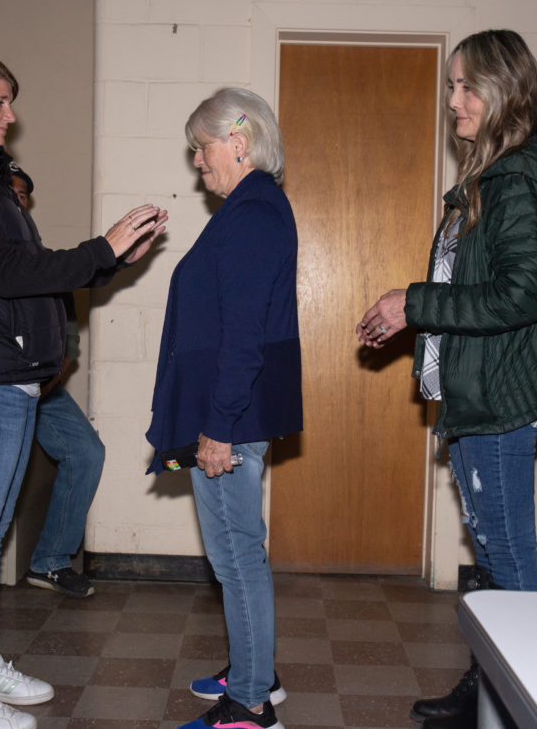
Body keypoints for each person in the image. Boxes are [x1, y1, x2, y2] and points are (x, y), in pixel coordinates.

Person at [0, 46, 166, 729]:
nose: (10, 116)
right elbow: (5, 271)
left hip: (9, 379)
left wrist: (108, 263)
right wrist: (100, 248)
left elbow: (30, 274)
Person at [356, 29, 537, 729]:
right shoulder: (494, 173)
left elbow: (520, 293)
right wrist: (413, 312)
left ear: (506, 90)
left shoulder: (520, 176)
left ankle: (526, 701)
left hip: (500, 394)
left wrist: (413, 303)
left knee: (509, 556)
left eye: (467, 86)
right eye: (451, 85)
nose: (453, 99)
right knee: (495, 555)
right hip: (479, 388)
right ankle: (492, 687)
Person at [146, 87, 302, 729]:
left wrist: (216, 429)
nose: (196, 161)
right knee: (232, 551)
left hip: (226, 422)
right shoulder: (245, 210)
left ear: (237, 141)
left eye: (201, 147)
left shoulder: (254, 214)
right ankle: (250, 669)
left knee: (236, 554)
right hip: (216, 417)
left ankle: (251, 703)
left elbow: (243, 337)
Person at [8, 164, 105, 598]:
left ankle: (49, 561)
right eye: (9, 192)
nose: (17, 200)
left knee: (86, 452)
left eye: (24, 195)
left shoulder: (43, 262)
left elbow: (68, 345)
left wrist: (43, 386)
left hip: (42, 390)